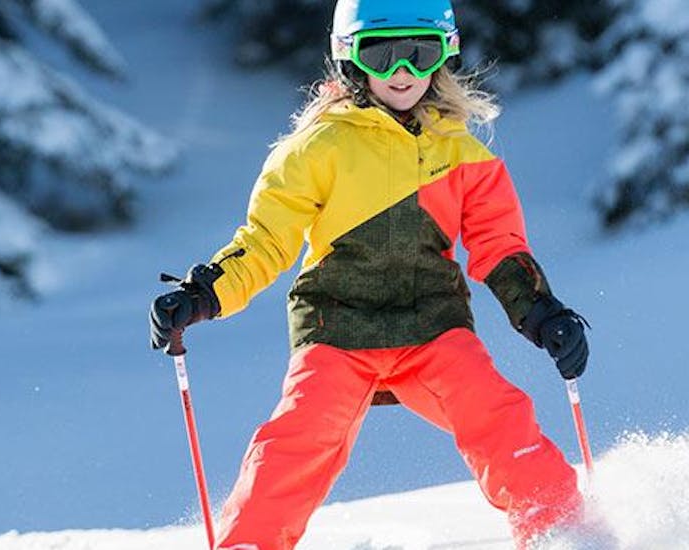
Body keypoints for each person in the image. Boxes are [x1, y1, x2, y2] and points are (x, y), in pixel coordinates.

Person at [148, 1, 597, 547]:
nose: (402, 71)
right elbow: (266, 242)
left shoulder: (463, 154)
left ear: (445, 56)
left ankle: (559, 529)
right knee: (299, 437)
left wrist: (541, 312)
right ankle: (250, 541)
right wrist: (202, 295)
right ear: (349, 59)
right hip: (338, 327)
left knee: (497, 415)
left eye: (420, 52)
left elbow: (499, 246)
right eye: (380, 55)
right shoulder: (318, 149)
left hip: (432, 328)